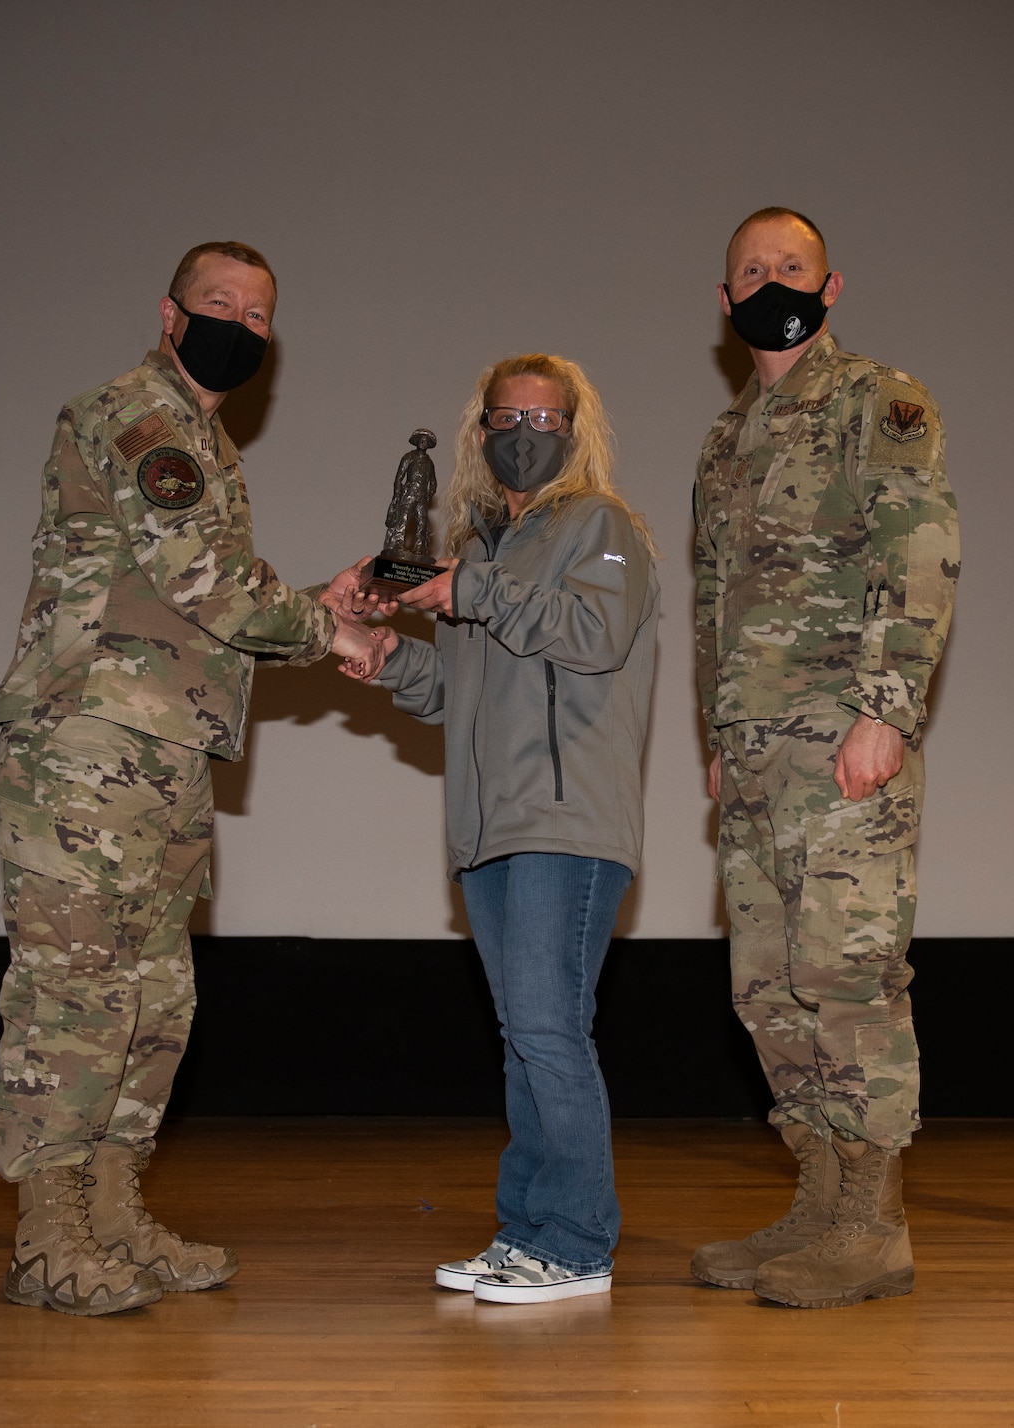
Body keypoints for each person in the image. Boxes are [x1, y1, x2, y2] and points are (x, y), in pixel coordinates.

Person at [0, 241, 387, 1316]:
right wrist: (328, 630)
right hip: (88, 750)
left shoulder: (203, 440)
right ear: (169, 313)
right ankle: (48, 1240)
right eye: (221, 305)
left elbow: (179, 608)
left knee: (150, 998)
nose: (241, 327)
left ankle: (111, 1216)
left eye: (260, 317)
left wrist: (316, 605)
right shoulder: (140, 416)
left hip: (155, 755)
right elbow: (206, 579)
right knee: (73, 998)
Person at [690, 208, 959, 1309]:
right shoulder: (723, 440)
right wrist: (715, 740)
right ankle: (815, 1195)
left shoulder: (876, 401)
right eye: (749, 270)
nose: (769, 282)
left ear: (830, 284)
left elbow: (919, 547)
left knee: (846, 976)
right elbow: (715, 604)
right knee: (766, 984)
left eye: (788, 267)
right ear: (723, 301)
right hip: (753, 755)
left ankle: (871, 1223)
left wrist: (885, 710)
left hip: (841, 734)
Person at [351, 354, 659, 1304]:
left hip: (566, 822)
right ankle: (527, 1229)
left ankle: (576, 1244)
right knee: (524, 1036)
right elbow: (459, 691)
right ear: (479, 432)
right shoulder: (482, 546)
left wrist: (468, 592)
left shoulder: (603, 528)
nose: (527, 430)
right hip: (488, 831)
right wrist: (382, 657)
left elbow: (593, 633)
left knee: (549, 1030)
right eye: (507, 415)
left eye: (547, 414)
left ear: (578, 428)